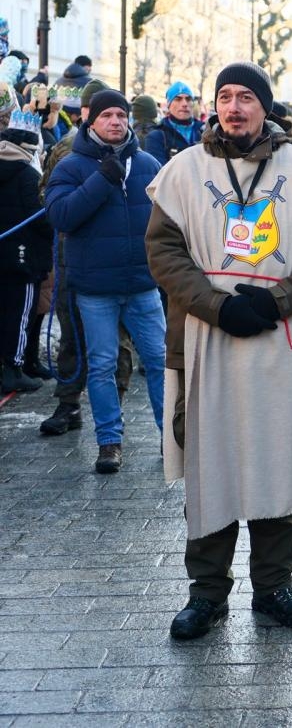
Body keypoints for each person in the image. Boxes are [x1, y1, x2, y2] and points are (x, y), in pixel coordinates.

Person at [146, 62, 292, 640]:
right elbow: (163, 252)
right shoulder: (182, 171)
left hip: (279, 339)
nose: (234, 107)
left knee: (277, 458)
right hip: (206, 335)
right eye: (225, 97)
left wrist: (280, 300)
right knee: (209, 462)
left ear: (265, 107)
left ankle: (274, 587)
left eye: (246, 98)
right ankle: (207, 593)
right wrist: (216, 305)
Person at [43, 90, 165, 473]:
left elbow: (171, 219)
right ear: (90, 121)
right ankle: (109, 442)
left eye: (121, 114)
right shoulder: (72, 165)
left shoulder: (147, 164)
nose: (115, 121)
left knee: (162, 361)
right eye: (107, 115)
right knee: (101, 365)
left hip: (143, 284)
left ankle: (173, 437)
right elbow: (61, 216)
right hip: (95, 288)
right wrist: (102, 179)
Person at [0, 112, 52, 393]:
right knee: (20, 314)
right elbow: (40, 218)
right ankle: (14, 367)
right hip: (24, 258)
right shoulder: (28, 175)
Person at [144, 82, 204, 164]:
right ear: (169, 104)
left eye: (188, 99)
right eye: (178, 99)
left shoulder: (205, 132)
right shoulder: (157, 136)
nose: (184, 104)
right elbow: (159, 173)